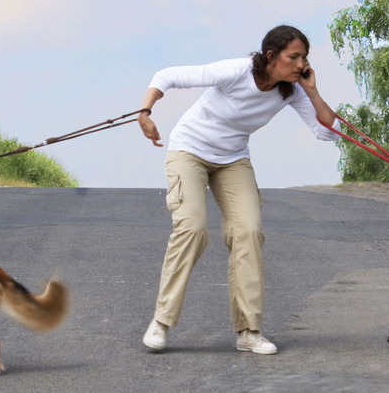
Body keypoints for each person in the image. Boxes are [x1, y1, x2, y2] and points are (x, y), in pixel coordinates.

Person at [137, 25, 340, 355]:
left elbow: (329, 133)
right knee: (192, 228)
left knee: (248, 231)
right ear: (271, 56)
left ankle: (248, 331)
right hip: (189, 150)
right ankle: (161, 322)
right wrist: (145, 111)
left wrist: (312, 91)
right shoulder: (235, 72)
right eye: (294, 57)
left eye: (305, 57)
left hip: (232, 159)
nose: (301, 64)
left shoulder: (293, 90)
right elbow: (168, 75)